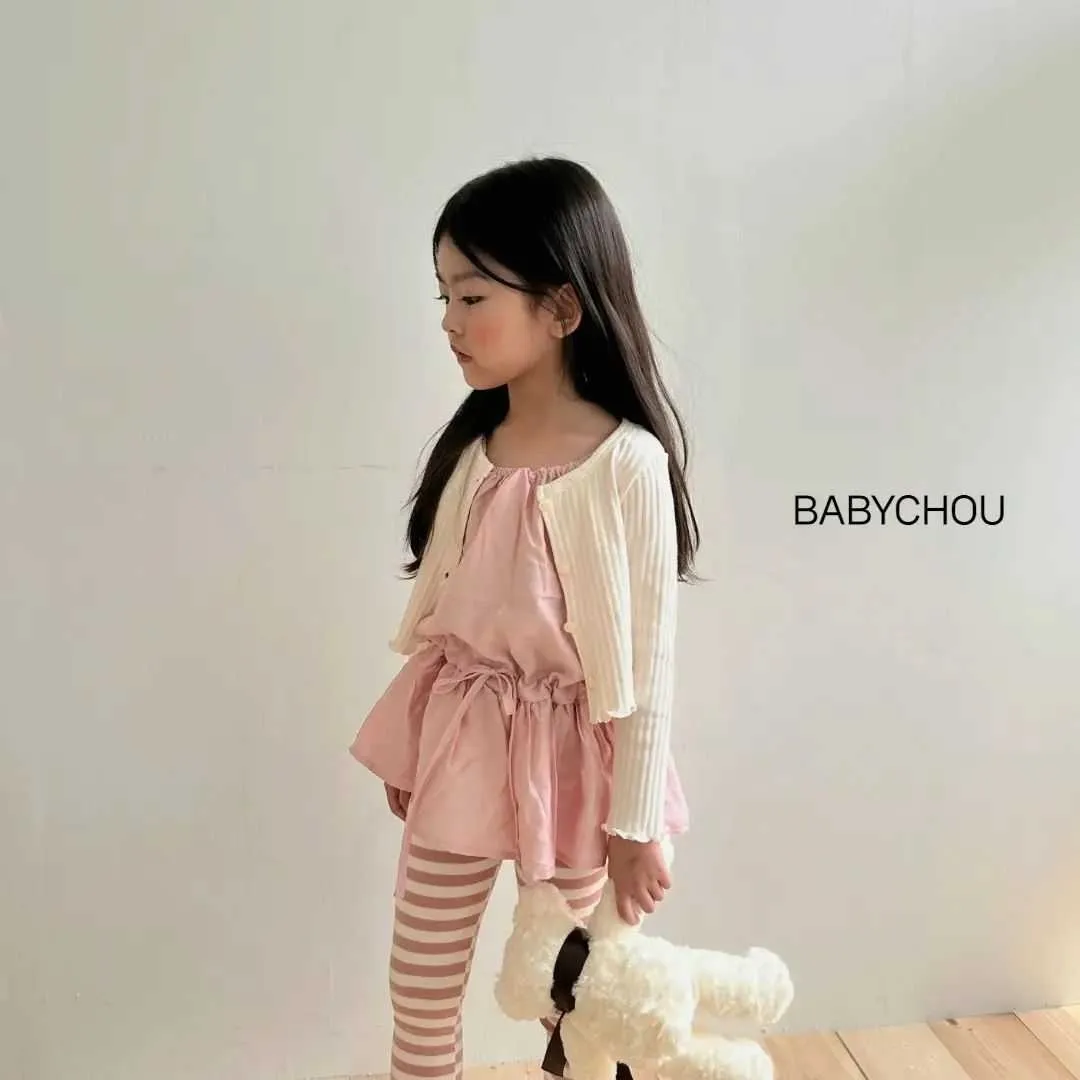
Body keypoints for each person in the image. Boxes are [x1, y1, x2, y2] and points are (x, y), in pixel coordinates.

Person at [350, 155, 699, 1080]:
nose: (448, 321)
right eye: (443, 297)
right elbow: (449, 627)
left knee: (579, 999)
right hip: (462, 747)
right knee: (420, 985)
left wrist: (635, 823)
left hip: (579, 765)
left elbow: (649, 666)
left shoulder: (628, 464)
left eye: (472, 296)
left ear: (563, 308)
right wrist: (416, 748)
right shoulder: (474, 449)